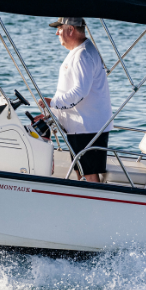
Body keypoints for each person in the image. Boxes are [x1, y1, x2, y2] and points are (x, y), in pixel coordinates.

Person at [36, 17, 113, 183]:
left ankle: (95, 206)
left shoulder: (82, 55)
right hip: (84, 126)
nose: (57, 32)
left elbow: (80, 91)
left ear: (70, 30)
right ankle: (90, 204)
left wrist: (54, 103)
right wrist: (53, 108)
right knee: (82, 172)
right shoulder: (81, 51)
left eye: (60, 28)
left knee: (88, 174)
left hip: (87, 127)